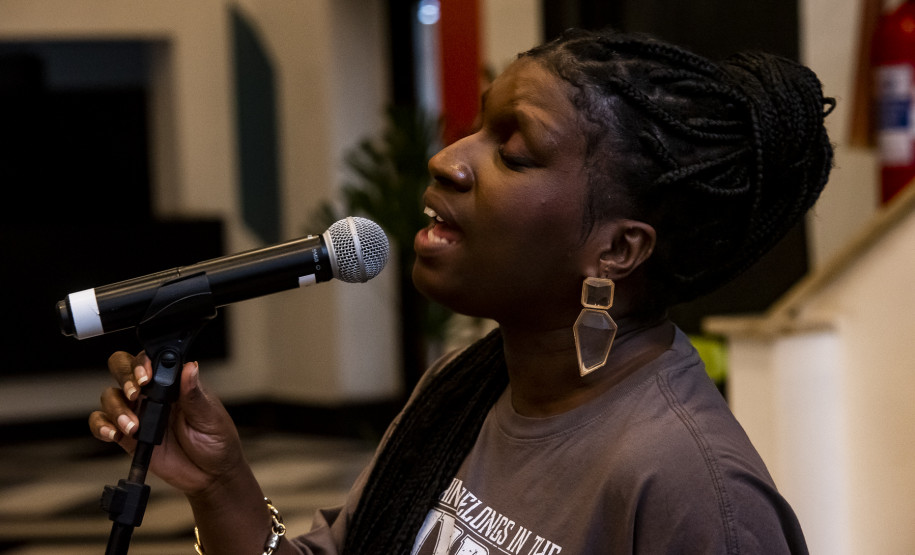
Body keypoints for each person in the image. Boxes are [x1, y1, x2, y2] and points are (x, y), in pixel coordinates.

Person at [90, 27, 833, 554]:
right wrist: (219, 483)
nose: (447, 159)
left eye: (513, 150)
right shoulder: (466, 385)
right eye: (473, 129)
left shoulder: (691, 489)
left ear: (616, 249)